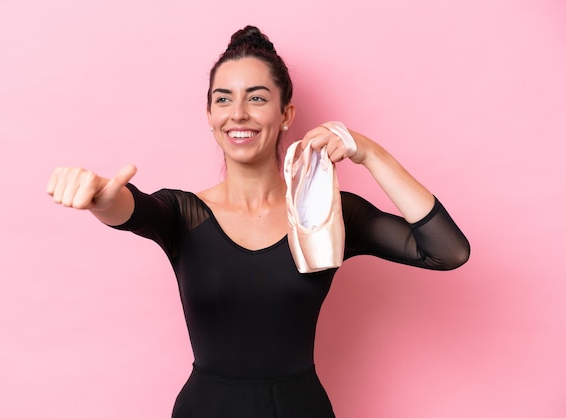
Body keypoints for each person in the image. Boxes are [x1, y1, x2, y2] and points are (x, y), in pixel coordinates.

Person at [46, 25, 470, 418]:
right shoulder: (182, 214)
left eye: (258, 97)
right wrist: (101, 198)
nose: (239, 113)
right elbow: (131, 207)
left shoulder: (330, 213)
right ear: (210, 116)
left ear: (286, 114)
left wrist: (370, 153)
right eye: (223, 98)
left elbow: (448, 251)